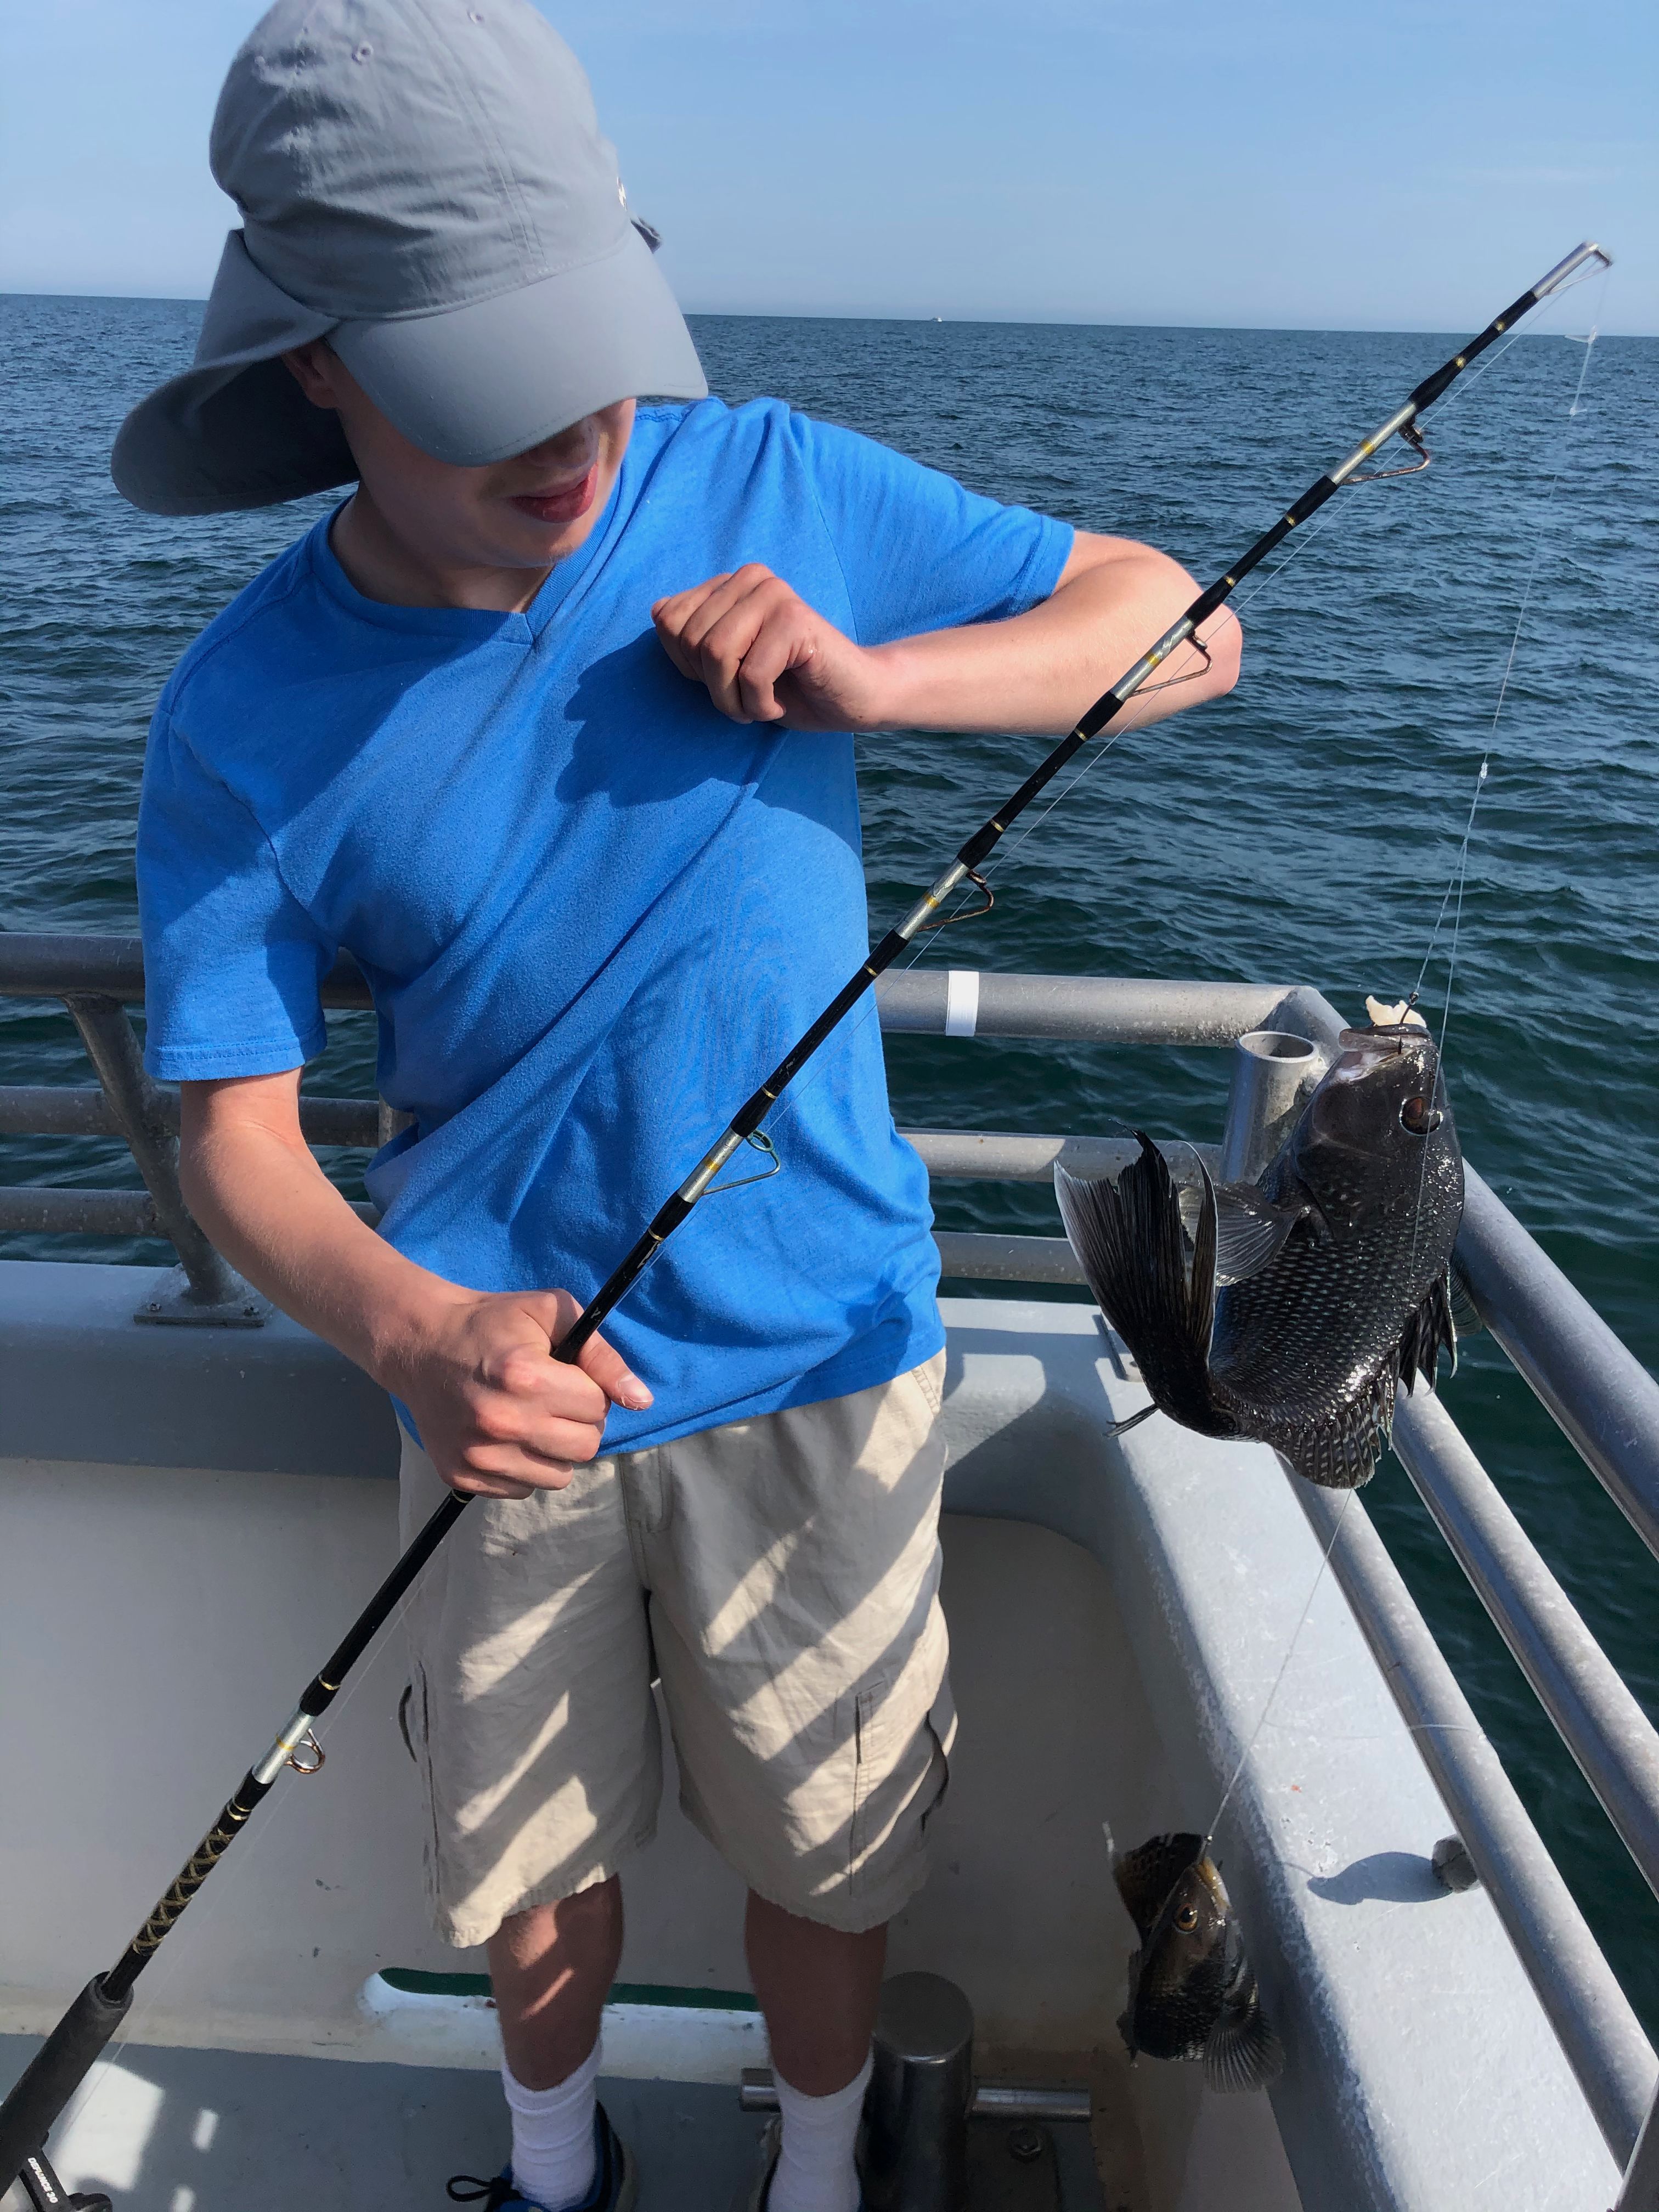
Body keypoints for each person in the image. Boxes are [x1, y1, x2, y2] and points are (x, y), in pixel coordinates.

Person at [116, 5, 1240, 2209]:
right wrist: (409, 1336)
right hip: (487, 1385)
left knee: (831, 1853)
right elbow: (231, 1130)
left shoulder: (772, 483)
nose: (574, 437)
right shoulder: (241, 712)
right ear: (321, 365)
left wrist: (883, 677)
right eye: (485, 380)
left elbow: (1182, 627)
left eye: (597, 349)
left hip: (822, 1342)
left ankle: (813, 2177)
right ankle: (558, 2176)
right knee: (528, 1863)